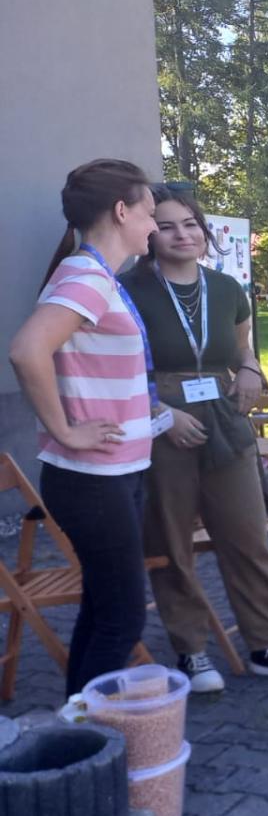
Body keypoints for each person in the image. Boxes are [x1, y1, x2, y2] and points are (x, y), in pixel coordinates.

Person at [119, 186, 268, 693]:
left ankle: (265, 645)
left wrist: (250, 368)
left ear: (203, 230)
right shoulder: (127, 289)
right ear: (150, 233)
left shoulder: (227, 288)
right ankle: (191, 652)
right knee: (171, 542)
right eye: (166, 226)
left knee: (249, 538)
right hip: (161, 418)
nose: (182, 235)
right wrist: (160, 413)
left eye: (190, 224)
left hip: (225, 418)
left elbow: (241, 347)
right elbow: (115, 367)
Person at [9, 160, 163, 696]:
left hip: (113, 473)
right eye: (149, 212)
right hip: (92, 478)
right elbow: (27, 351)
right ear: (121, 211)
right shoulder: (87, 276)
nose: (154, 225)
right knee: (123, 617)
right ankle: (93, 731)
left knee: (103, 609)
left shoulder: (94, 274)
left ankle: (80, 722)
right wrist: (66, 431)